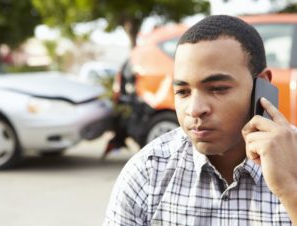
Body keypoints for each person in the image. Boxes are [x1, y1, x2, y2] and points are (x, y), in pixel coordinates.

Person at [103, 15, 297, 225]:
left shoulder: (292, 161)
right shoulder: (147, 173)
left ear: (262, 85)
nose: (195, 110)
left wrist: (290, 191)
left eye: (218, 89)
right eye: (183, 92)